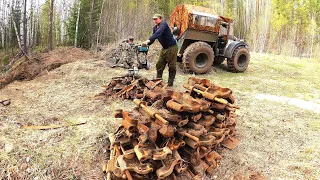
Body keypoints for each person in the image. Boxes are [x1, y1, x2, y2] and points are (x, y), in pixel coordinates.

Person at [144, 14, 178, 87]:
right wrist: (147, 44)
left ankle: (170, 83)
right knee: (159, 65)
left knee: (172, 66)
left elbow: (158, 33)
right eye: (154, 19)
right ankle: (158, 81)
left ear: (160, 19)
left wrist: (148, 40)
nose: (154, 21)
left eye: (156, 19)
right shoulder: (155, 28)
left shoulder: (163, 24)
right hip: (164, 48)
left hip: (172, 47)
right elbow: (154, 38)